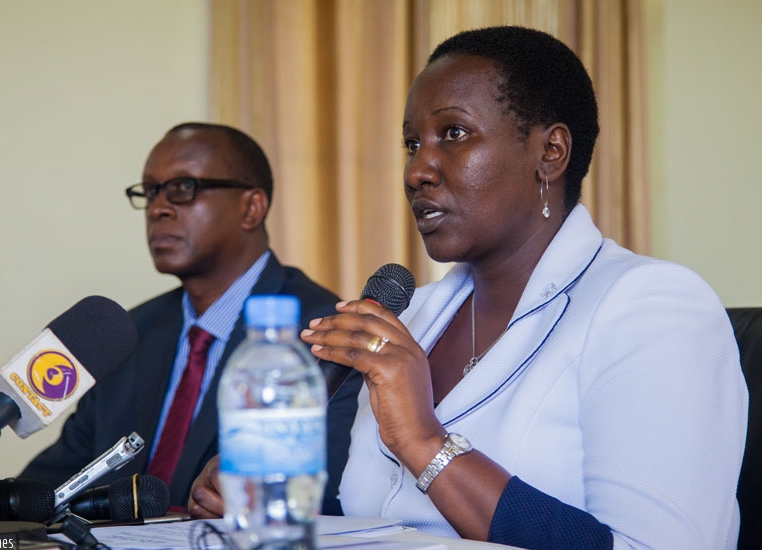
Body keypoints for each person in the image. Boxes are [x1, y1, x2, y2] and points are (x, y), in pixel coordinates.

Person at [189, 27, 749, 549]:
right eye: (412, 145)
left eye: (453, 134)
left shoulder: (651, 308)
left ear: (550, 152)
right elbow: (384, 518)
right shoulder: (416, 317)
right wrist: (267, 503)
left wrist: (425, 442)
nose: (417, 171)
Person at [21, 122, 362, 514]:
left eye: (184, 188)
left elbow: (325, 496)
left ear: (251, 207)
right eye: (150, 192)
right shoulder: (129, 334)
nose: (158, 208)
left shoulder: (320, 335)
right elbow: (55, 484)